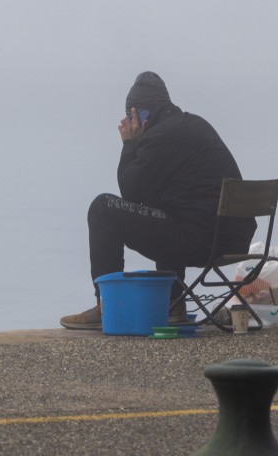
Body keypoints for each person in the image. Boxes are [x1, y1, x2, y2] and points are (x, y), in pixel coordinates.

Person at [60, 71, 256, 329]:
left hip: (202, 241)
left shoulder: (160, 136)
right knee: (162, 208)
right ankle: (172, 304)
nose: (129, 122)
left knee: (103, 209)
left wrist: (129, 145)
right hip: (232, 240)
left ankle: (106, 306)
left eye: (131, 115)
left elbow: (129, 191)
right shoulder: (192, 125)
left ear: (143, 114)